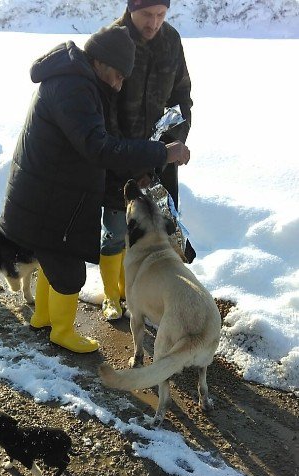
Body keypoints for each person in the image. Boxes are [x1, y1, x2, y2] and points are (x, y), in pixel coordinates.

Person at [0, 25, 190, 353]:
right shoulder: (74, 87)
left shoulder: (75, 78)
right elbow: (98, 147)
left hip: (48, 191)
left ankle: (43, 317)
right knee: (68, 267)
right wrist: (161, 152)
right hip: (50, 195)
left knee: (53, 256)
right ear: (100, 62)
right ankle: (61, 331)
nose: (118, 86)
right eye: (117, 76)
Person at [99, 0, 194, 321]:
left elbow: (182, 96)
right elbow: (103, 111)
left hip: (159, 160)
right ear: (131, 9)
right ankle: (112, 296)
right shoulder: (113, 40)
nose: (154, 23)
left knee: (153, 233)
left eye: (161, 15)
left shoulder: (171, 41)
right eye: (147, 15)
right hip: (119, 161)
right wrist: (134, 165)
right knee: (115, 230)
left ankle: (139, 294)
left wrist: (176, 140)